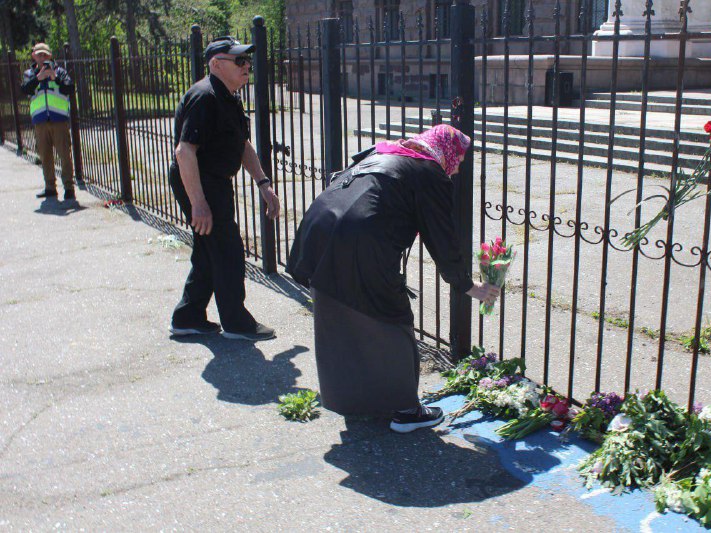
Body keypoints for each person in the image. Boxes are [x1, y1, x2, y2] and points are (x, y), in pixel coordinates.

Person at [287, 124, 500, 433]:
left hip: (319, 230)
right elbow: (441, 238)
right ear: (447, 152)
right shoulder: (429, 172)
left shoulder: (387, 152)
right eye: (459, 161)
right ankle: (407, 412)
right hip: (360, 241)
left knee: (340, 316)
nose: (456, 170)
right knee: (393, 320)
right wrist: (467, 285)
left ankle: (355, 401)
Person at [168, 36, 280, 341]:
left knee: (210, 249)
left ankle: (188, 316)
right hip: (200, 181)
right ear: (216, 64)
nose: (247, 66)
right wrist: (198, 203)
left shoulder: (229, 96)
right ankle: (236, 322)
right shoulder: (205, 96)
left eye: (247, 61)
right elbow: (184, 152)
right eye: (239, 61)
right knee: (228, 249)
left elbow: (241, 144)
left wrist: (263, 183)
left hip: (213, 181)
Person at [21, 43, 75, 201]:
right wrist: (38, 78)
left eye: (45, 55)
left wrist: (54, 77)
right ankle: (50, 187)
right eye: (39, 55)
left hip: (59, 119)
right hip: (40, 120)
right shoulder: (29, 74)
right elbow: (24, 89)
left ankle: (69, 187)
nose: (42, 58)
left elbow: (69, 88)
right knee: (45, 155)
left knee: (64, 155)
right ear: (34, 56)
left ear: (50, 55)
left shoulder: (60, 71)